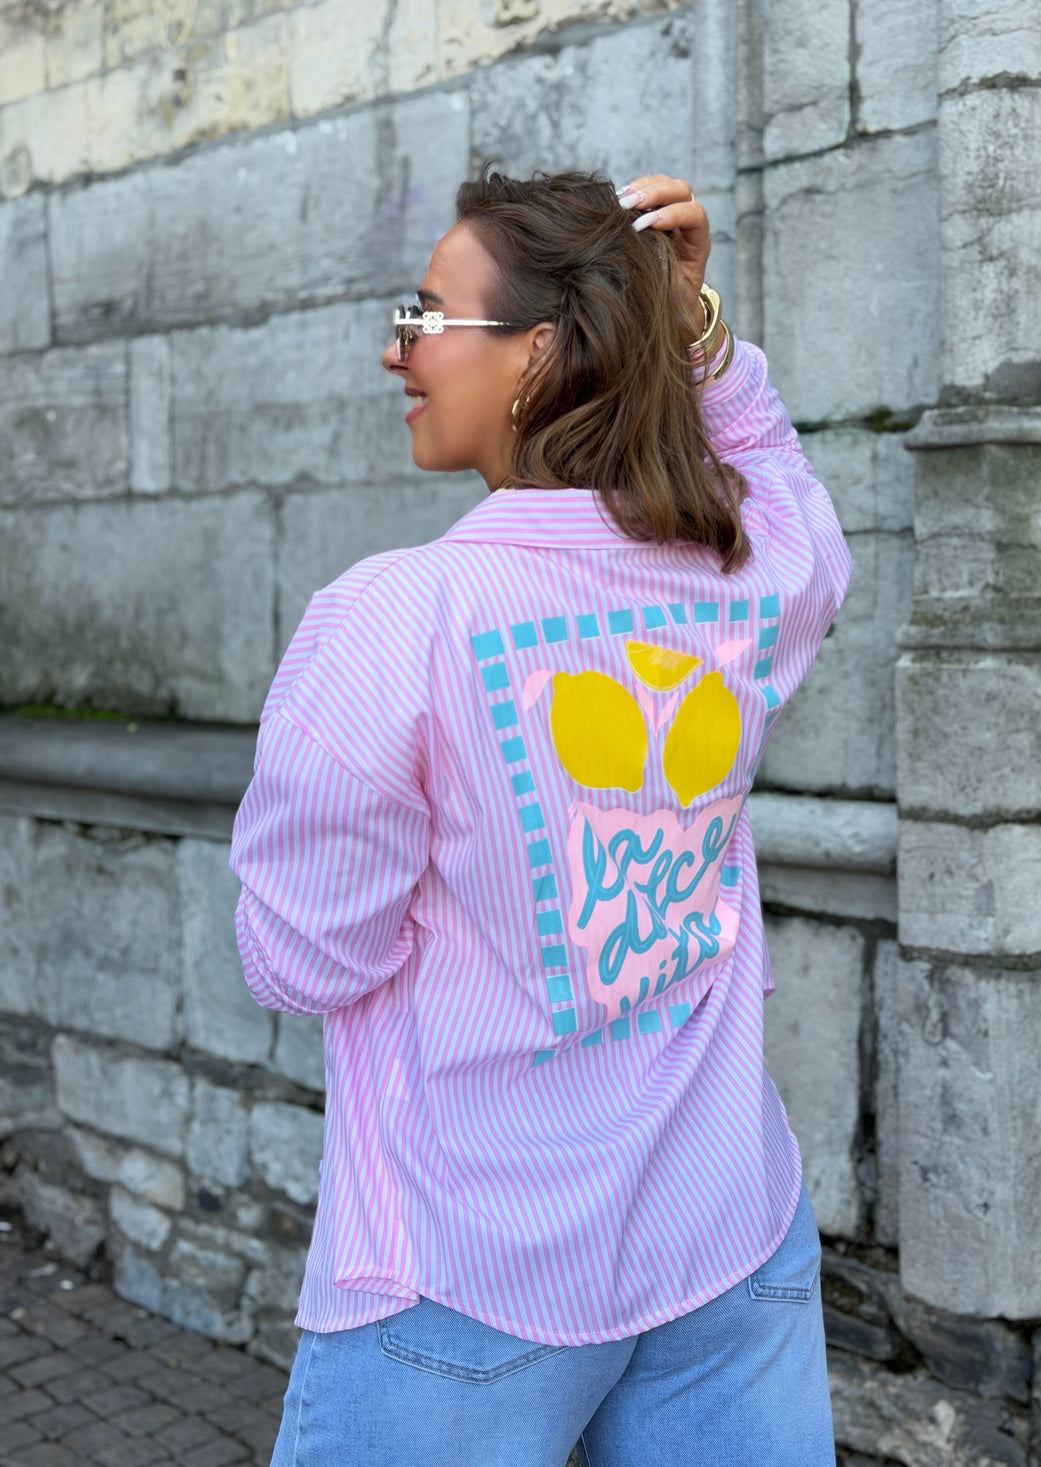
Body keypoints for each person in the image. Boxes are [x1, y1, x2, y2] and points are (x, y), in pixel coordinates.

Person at [229, 169, 850, 1467]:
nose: (395, 348)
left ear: (539, 352)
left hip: (469, 1279)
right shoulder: (745, 575)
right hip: (725, 1233)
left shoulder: (399, 622)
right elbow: (797, 507)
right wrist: (701, 339)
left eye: (425, 314)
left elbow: (299, 962)